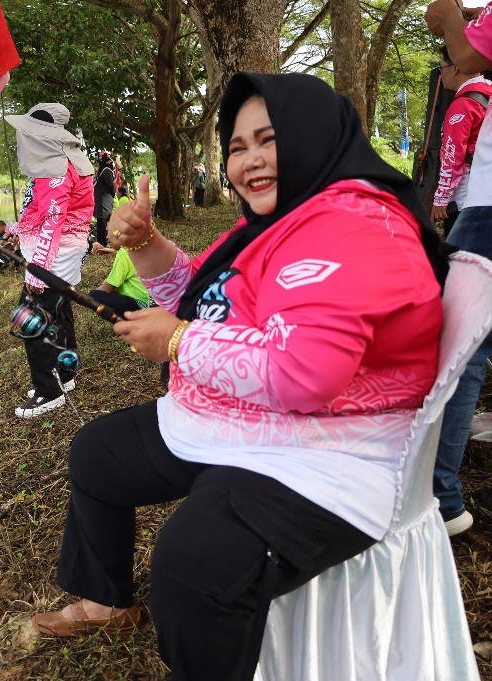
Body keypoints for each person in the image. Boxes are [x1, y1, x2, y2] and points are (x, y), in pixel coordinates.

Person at [29, 73, 450, 681]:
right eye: (236, 147)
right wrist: (148, 246)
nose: (249, 161)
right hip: (247, 421)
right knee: (98, 455)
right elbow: (207, 298)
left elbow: (306, 372)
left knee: (189, 566)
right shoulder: (282, 217)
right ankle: (106, 600)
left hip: (329, 448)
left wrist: (176, 341)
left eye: (267, 140)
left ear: (311, 137)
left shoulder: (354, 225)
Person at [426, 0, 492, 535]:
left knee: (462, 350)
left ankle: (442, 499)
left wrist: (450, 15)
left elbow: (452, 158)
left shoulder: (464, 98)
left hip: (485, 209)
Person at [4, 103, 94, 418]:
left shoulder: (57, 168)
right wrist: (18, 229)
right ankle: (64, 376)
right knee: (60, 314)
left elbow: (53, 223)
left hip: (52, 258)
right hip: (62, 256)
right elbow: (42, 212)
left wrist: (37, 273)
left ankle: (48, 391)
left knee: (31, 321)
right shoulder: (64, 159)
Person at [431, 46, 492, 234]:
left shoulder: (463, 105)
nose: (441, 75)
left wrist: (440, 199)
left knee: (463, 257)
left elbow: (452, 154)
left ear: (455, 67)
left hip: (470, 197)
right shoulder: (488, 92)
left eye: (441, 68)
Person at [87, 249, 151, 314]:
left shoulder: (125, 252)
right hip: (157, 302)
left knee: (94, 296)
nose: (107, 238)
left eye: (115, 237)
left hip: (141, 305)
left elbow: (106, 289)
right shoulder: (152, 245)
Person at [93, 152, 116, 248]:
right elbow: (111, 186)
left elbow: (111, 185)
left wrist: (113, 192)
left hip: (103, 198)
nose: (97, 164)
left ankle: (103, 241)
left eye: (98, 161)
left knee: (102, 218)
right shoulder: (105, 170)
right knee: (102, 219)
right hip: (102, 198)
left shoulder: (105, 170)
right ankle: (102, 242)